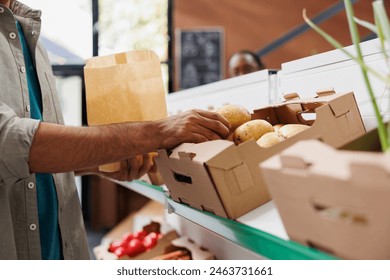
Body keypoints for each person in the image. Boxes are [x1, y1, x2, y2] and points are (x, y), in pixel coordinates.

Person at [0, 0, 230, 260]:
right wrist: (157, 132)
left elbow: (38, 157)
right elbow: (10, 144)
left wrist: (97, 162)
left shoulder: (30, 38)